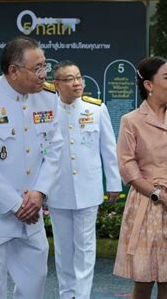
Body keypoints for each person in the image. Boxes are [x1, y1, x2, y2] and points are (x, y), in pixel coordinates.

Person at [0, 36, 63, 298]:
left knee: (35, 282)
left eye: (45, 66)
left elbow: (55, 150)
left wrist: (39, 193)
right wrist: (16, 205)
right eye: (37, 68)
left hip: (32, 213)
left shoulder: (49, 97)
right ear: (13, 71)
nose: (43, 74)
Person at [113, 56, 167, 299]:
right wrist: (160, 195)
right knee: (143, 280)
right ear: (149, 85)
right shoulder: (131, 121)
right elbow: (128, 167)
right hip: (147, 200)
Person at [49, 60, 122, 299]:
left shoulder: (96, 108)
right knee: (63, 249)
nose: (77, 82)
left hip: (88, 190)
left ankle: (81, 295)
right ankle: (66, 293)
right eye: (69, 79)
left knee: (85, 248)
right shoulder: (47, 111)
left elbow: (109, 149)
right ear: (57, 84)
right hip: (57, 190)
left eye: (79, 77)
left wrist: (113, 184)